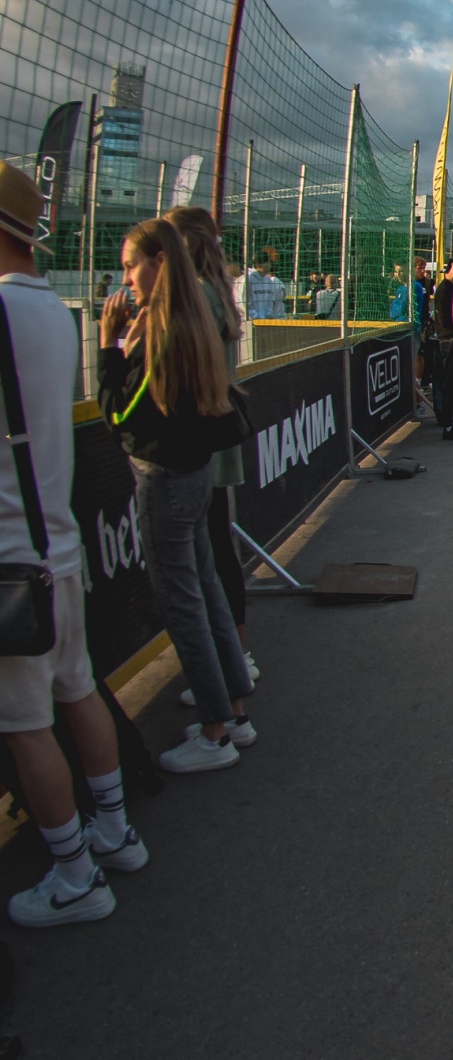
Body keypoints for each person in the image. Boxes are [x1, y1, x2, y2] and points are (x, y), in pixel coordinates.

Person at [0, 162, 146, 927]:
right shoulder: (55, 313)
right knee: (78, 690)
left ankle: (74, 876)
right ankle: (114, 832)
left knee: (27, 727)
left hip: (8, 557)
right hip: (55, 541)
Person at [97, 217, 253, 774]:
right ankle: (234, 712)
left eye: (131, 266)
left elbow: (120, 414)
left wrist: (109, 346)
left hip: (165, 479)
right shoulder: (196, 317)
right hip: (195, 474)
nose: (126, 279)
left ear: (160, 262)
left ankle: (215, 732)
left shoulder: (163, 330)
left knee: (184, 606)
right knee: (207, 591)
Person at [164, 207, 258, 698]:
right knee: (219, 550)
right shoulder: (218, 292)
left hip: (195, 445)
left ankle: (224, 671)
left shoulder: (194, 296)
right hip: (215, 440)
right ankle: (235, 657)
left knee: (205, 561)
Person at [430, 256, 453, 439]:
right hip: (448, 341)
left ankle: (452, 417)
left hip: (449, 339)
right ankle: (448, 421)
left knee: (451, 382)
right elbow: (446, 319)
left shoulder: (451, 288)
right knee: (448, 382)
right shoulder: (445, 290)